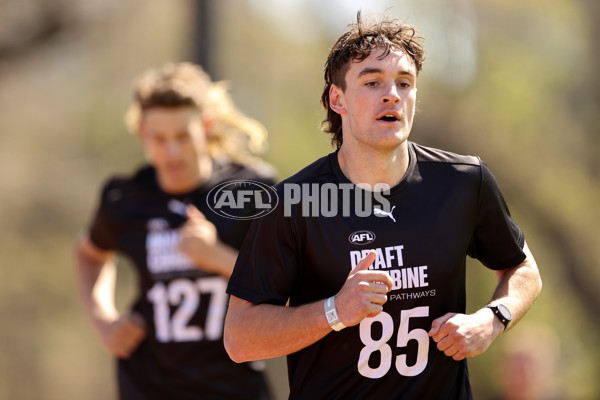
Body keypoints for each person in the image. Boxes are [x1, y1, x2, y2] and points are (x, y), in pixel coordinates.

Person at [223, 12, 542, 400]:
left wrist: (490, 320)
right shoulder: (294, 202)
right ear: (337, 99)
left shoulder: (463, 180)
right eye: (373, 82)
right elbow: (240, 339)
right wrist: (334, 310)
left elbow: (522, 267)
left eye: (404, 84)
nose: (392, 94)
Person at [74, 62, 275, 400]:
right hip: (146, 386)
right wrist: (104, 320)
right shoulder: (125, 198)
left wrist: (218, 257)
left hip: (234, 387)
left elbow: (287, 290)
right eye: (159, 138)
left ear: (207, 126)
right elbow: (88, 255)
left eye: (183, 136)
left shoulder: (252, 190)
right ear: (142, 133)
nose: (171, 152)